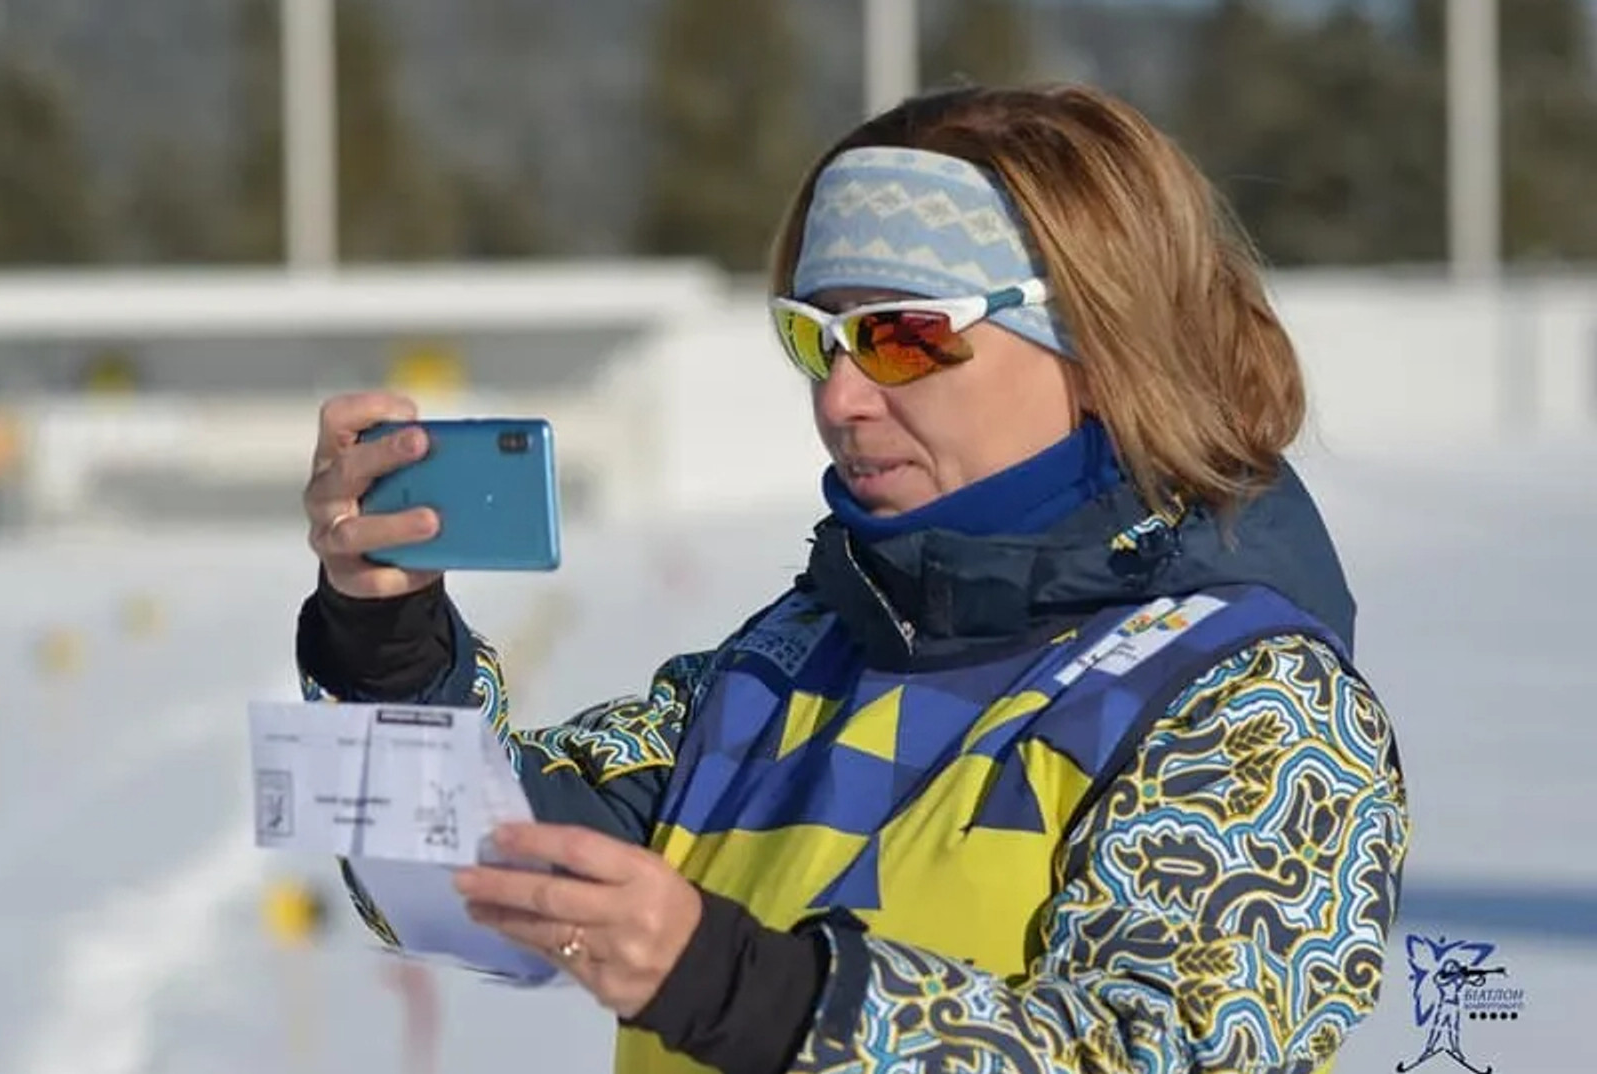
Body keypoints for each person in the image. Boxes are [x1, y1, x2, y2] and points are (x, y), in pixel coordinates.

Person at [296, 81, 1410, 1074]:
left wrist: (752, 994)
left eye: (901, 338)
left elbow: (1139, 1054)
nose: (840, 400)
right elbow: (461, 896)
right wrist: (384, 645)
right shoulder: (792, 657)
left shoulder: (1253, 703)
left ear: (1103, 342)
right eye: (815, 341)